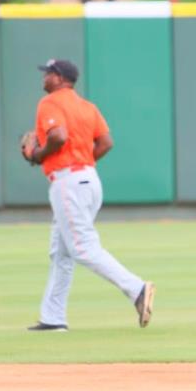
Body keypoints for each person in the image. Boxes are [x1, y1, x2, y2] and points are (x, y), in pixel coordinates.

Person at [20, 58, 155, 332]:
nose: (44, 78)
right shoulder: (86, 106)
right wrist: (82, 162)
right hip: (88, 179)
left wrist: (35, 155)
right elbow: (106, 142)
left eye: (48, 73)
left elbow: (57, 136)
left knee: (82, 248)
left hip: (69, 183)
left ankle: (137, 289)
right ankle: (53, 318)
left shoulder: (51, 102)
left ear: (59, 78)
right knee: (61, 253)